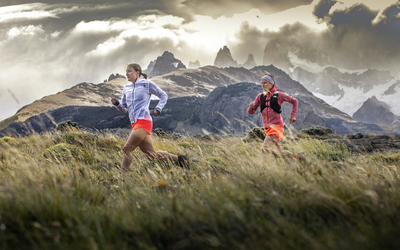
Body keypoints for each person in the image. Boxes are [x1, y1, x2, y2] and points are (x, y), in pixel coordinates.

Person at [111, 63, 189, 175]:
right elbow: (124, 109)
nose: (126, 73)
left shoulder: (146, 84)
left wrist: (158, 108)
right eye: (126, 71)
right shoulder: (126, 89)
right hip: (135, 124)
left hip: (144, 121)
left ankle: (121, 178)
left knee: (126, 149)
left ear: (137, 73)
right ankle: (182, 159)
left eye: (129, 71)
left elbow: (163, 95)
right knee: (152, 156)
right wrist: (117, 104)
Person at [247, 72, 300, 159]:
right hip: (267, 128)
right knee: (278, 154)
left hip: (277, 127)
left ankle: (262, 171)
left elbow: (295, 101)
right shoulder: (260, 97)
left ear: (272, 83)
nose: (263, 85)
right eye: (262, 83)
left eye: (265, 83)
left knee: (265, 149)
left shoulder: (279, 95)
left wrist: (293, 115)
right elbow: (251, 112)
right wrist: (250, 108)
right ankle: (298, 157)